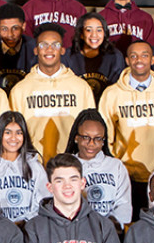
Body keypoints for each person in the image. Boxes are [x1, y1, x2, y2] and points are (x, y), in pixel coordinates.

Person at [98, 40, 154, 208]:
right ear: (127, 60)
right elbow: (105, 135)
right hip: (126, 175)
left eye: (144, 55)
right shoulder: (112, 94)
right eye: (134, 56)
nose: (139, 60)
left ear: (153, 60)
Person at [10, 24, 96, 162]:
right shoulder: (20, 90)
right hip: (33, 166)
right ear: (36, 50)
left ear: (62, 50)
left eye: (55, 45)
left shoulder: (81, 87)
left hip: (72, 166)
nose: (49, 49)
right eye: (43, 45)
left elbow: (91, 130)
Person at [64, 110, 132, 229]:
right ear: (76, 138)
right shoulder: (64, 166)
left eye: (98, 138)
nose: (91, 143)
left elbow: (124, 204)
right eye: (86, 137)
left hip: (110, 230)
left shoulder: (116, 166)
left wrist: (108, 225)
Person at [0, 111, 49, 223]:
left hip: (28, 229)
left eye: (19, 133)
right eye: (8, 132)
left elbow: (43, 201)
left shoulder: (35, 166)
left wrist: (25, 222)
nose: (13, 138)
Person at [63, 11, 125, 102]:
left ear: (105, 33)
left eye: (99, 30)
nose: (94, 35)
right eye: (89, 30)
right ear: (81, 34)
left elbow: (117, 92)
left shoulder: (115, 56)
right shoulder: (68, 55)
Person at [0, 3, 36, 93]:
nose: (10, 34)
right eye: (4, 29)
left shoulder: (35, 49)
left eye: (15, 28)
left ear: (23, 26)